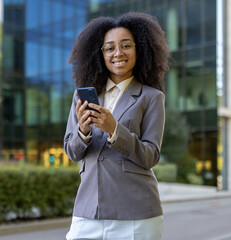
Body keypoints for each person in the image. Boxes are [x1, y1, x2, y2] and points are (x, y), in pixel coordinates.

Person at [64, 12, 169, 240]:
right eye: (109, 48)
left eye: (126, 46)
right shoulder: (82, 97)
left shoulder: (151, 97)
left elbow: (151, 156)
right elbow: (72, 152)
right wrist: (83, 131)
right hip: (88, 210)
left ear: (139, 49)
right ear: (100, 54)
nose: (118, 53)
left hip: (136, 213)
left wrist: (115, 130)